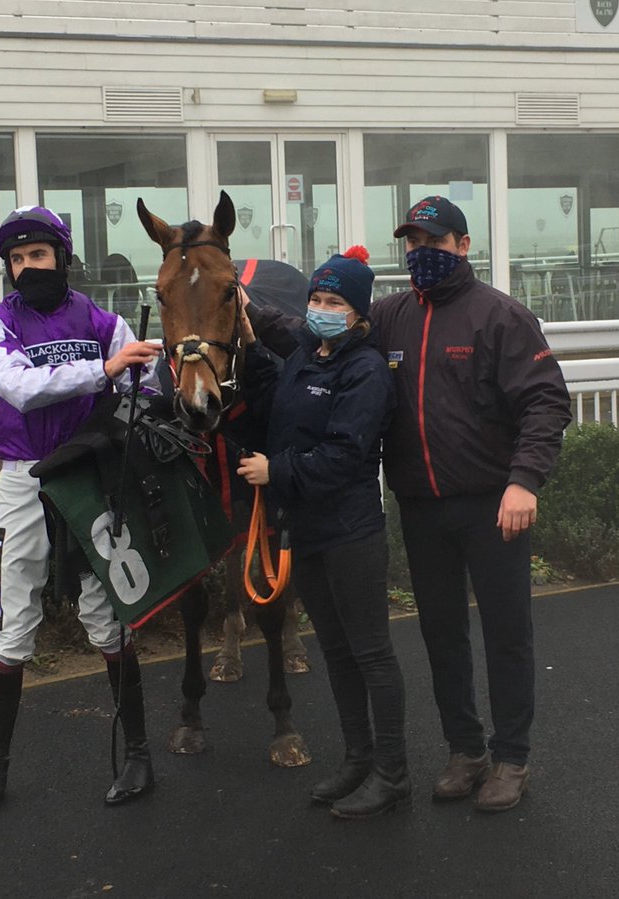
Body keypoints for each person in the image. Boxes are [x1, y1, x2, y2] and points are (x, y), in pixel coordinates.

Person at [247, 197, 572, 813]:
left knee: (507, 636)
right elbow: (309, 332)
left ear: (463, 245)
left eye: (435, 241)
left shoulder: (500, 316)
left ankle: (510, 758)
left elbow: (546, 402)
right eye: (413, 243)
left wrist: (524, 480)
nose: (423, 253)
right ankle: (465, 750)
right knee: (441, 633)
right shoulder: (392, 316)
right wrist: (249, 311)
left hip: (491, 506)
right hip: (420, 507)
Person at [0, 205, 163, 818]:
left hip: (89, 479)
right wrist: (103, 373)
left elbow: (148, 386)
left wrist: (133, 384)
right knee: (13, 623)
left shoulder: (108, 322)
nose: (27, 266)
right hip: (24, 478)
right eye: (17, 259)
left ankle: (137, 754)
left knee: (107, 615)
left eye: (38, 255)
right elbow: (20, 390)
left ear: (62, 258)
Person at [235, 246, 408, 819]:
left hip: (351, 533)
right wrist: (247, 336)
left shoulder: (364, 371)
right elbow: (273, 393)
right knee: (335, 651)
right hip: (303, 530)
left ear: (358, 313)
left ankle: (392, 772)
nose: (321, 308)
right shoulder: (309, 354)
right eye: (316, 298)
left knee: (371, 654)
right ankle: (357, 760)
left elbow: (344, 455)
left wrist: (274, 471)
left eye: (335, 301)